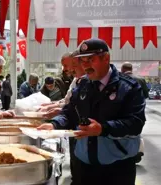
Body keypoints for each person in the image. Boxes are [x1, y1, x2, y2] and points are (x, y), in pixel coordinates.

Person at [38, 38, 146, 185]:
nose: (86, 65)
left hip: (117, 169)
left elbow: (135, 123)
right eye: (82, 61)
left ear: (106, 58)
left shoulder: (128, 88)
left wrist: (102, 128)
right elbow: (69, 113)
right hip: (84, 166)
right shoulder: (82, 86)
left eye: (90, 59)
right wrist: (54, 125)